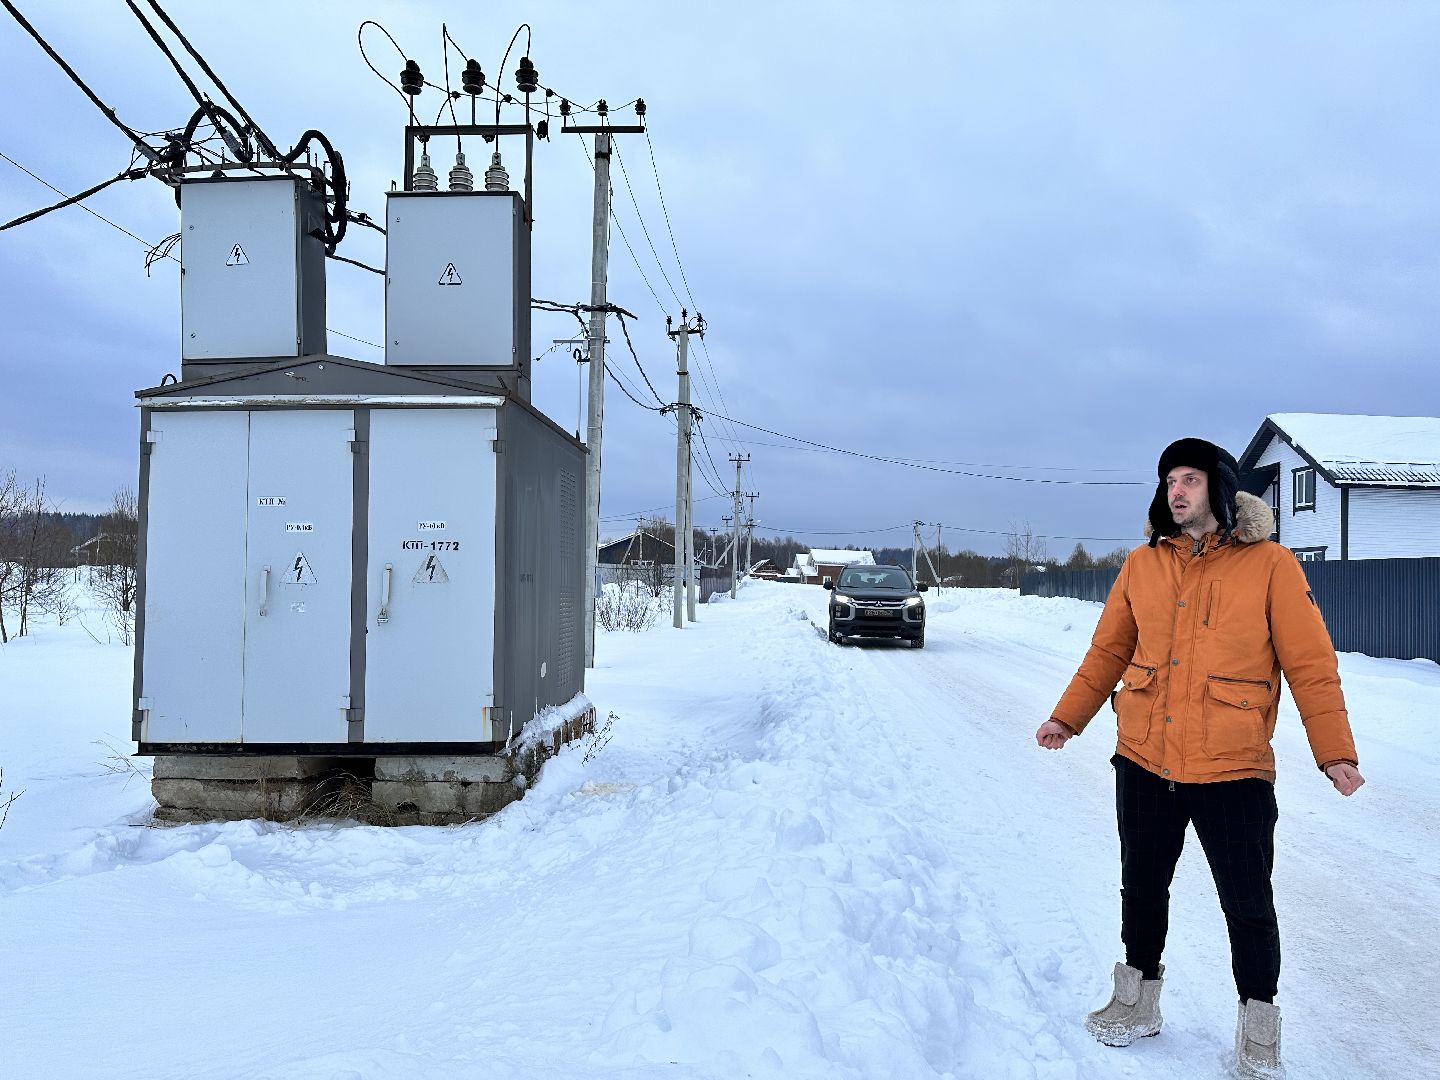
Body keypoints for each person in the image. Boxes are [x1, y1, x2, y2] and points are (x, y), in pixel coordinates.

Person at [1034, 437, 1363, 1079]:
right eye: (1168, 481)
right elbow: (1107, 652)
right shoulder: (1142, 565)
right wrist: (1067, 716)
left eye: (1189, 478)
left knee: (1247, 902)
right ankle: (1135, 1001)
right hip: (1145, 761)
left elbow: (1311, 665)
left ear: (1218, 485)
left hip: (1233, 769)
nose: (1176, 491)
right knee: (1143, 887)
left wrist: (1334, 753)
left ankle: (1259, 1027)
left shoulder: (1270, 565)